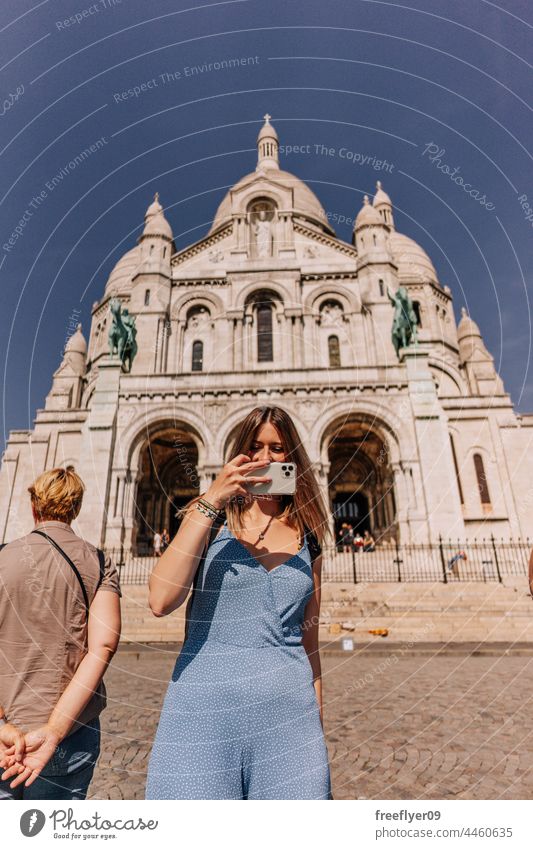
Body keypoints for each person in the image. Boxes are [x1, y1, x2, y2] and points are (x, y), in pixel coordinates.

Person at [146, 406, 333, 800]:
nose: (266, 458)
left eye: (278, 448)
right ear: (239, 453)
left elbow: (309, 643)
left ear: (293, 458)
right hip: (202, 714)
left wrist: (314, 721)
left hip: (289, 719)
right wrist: (213, 496)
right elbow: (161, 599)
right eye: (255, 447)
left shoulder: (310, 538)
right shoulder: (209, 519)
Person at [0, 466, 121, 799]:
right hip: (69, 735)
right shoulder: (98, 562)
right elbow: (104, 646)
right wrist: (53, 730)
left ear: (34, 506)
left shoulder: (2, 557)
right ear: (76, 509)